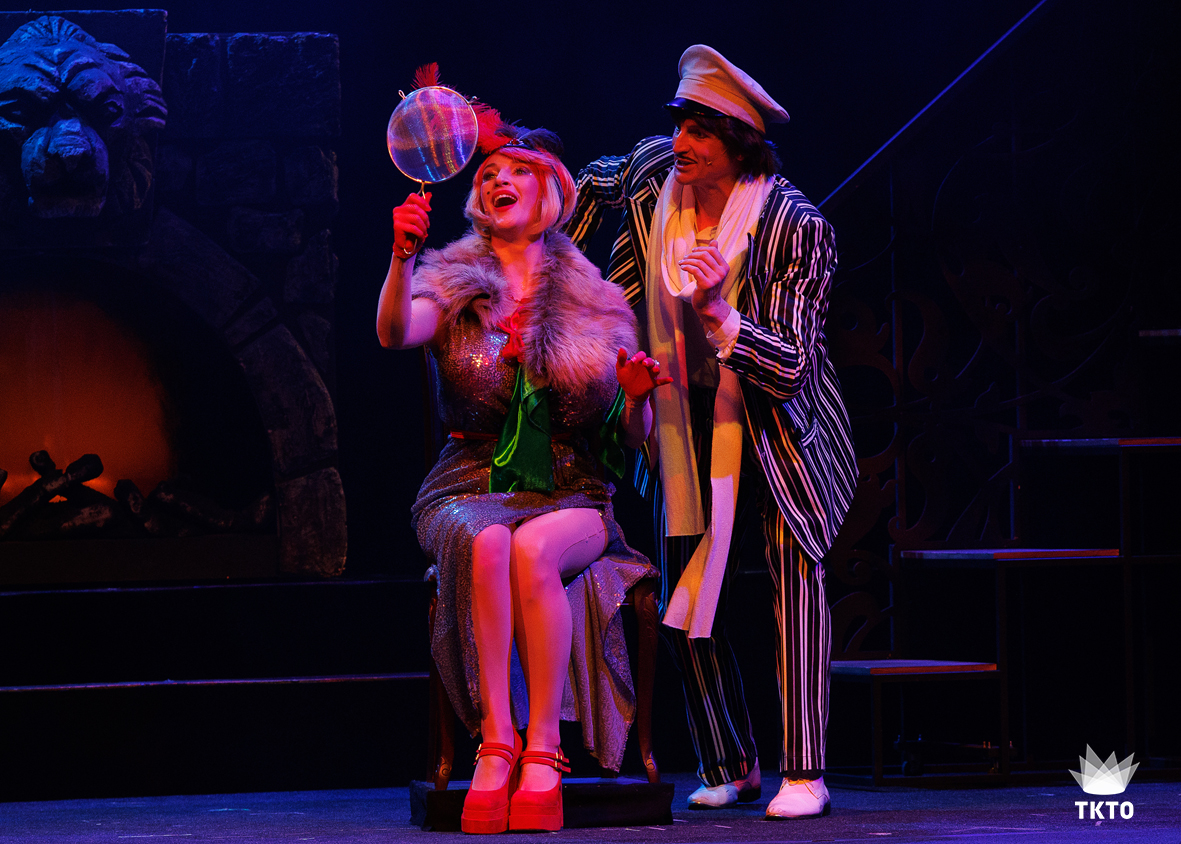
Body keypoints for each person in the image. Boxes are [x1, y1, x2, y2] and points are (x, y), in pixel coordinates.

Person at [567, 45, 857, 819]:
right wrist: (523, 182)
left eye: (699, 131)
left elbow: (789, 365)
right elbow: (584, 184)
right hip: (682, 412)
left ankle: (805, 771)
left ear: (739, 142)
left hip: (775, 423)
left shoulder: (794, 226)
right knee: (684, 590)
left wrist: (720, 314)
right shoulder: (652, 176)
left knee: (794, 582)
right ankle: (727, 761)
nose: (681, 143)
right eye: (679, 125)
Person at [377, 116, 667, 834]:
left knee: (533, 547)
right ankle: (495, 743)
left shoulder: (598, 301)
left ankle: (543, 751)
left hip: (571, 488)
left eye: (518, 172)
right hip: (468, 483)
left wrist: (636, 400)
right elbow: (395, 332)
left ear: (554, 194)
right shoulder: (450, 283)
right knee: (488, 541)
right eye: (487, 175)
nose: (499, 181)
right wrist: (401, 258)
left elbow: (629, 439)